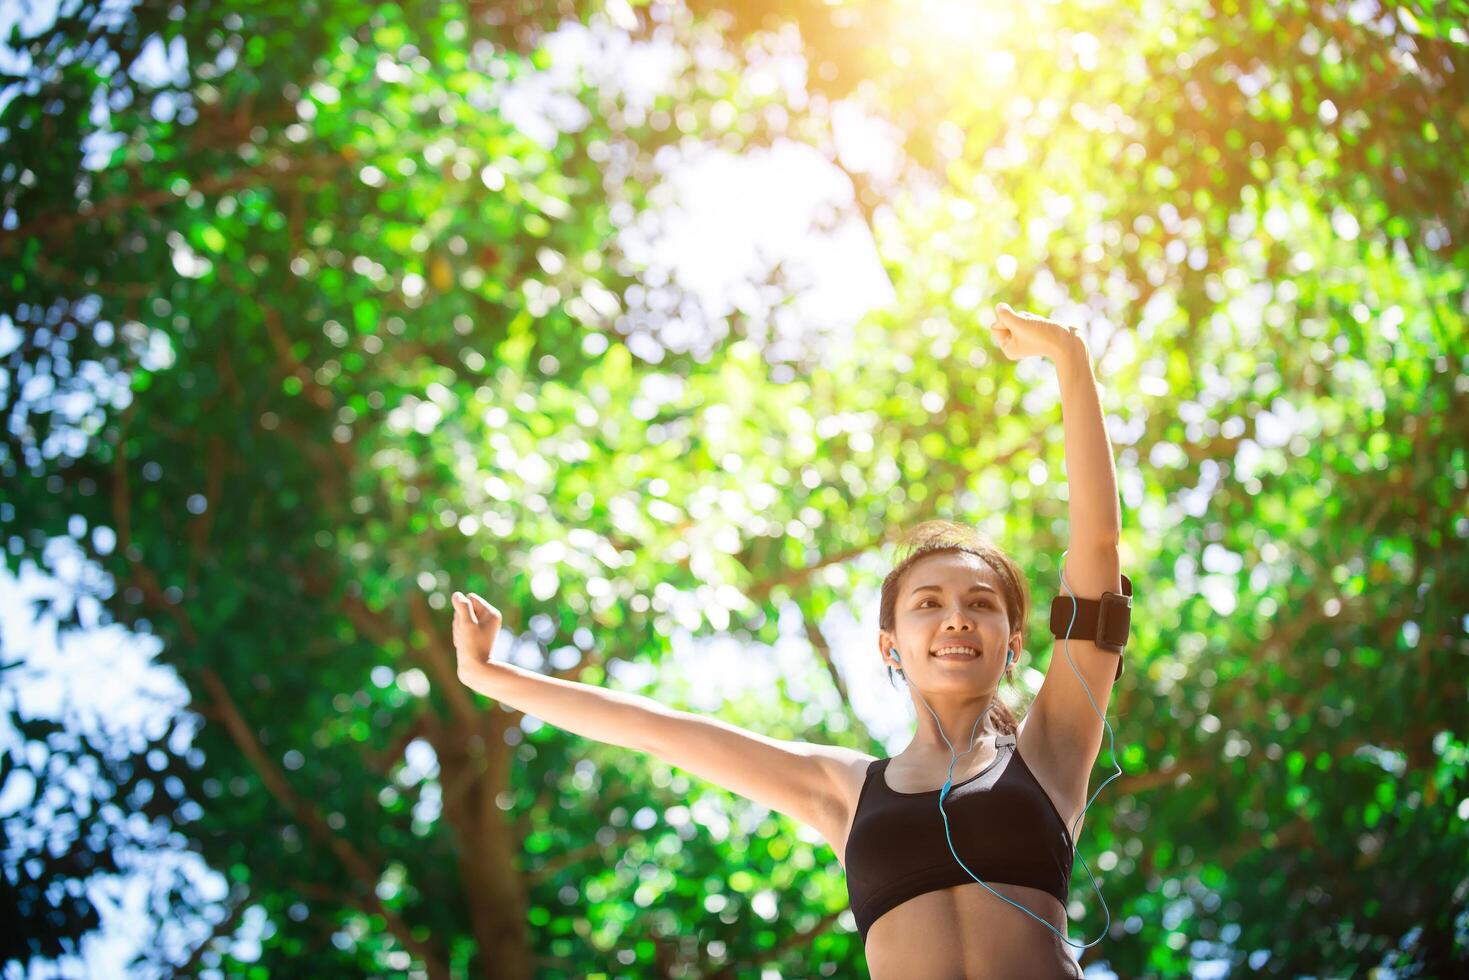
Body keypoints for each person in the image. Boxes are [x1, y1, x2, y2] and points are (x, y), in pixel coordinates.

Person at [450, 303, 1128, 978]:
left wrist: (1068, 355)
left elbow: (1096, 547)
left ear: (1012, 647)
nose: (956, 618)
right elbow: (656, 730)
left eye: (980, 605)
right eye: (928, 604)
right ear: (889, 646)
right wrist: (493, 678)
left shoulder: (1050, 750)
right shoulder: (842, 789)